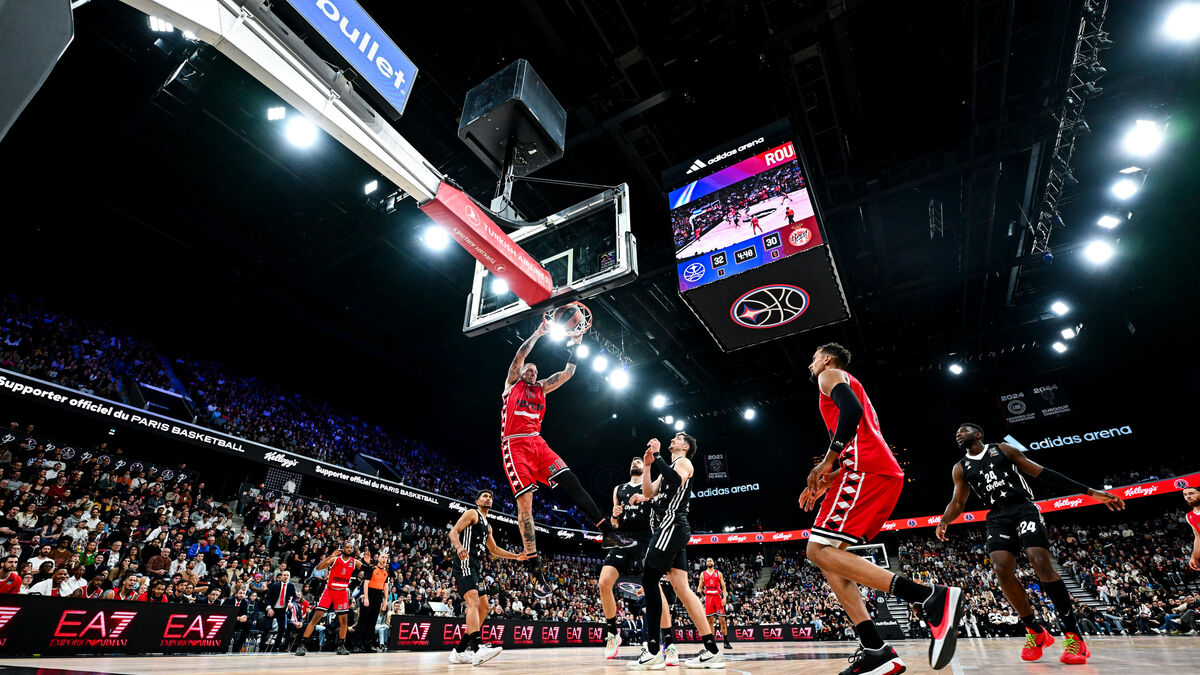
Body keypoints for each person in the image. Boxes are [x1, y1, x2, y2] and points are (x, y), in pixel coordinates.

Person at [799, 343, 963, 673]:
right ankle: (876, 649)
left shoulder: (829, 375)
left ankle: (929, 597)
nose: (811, 363)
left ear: (827, 359)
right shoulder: (847, 380)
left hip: (866, 471)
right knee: (834, 562)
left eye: (815, 357)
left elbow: (852, 412)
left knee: (816, 551)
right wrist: (829, 477)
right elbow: (860, 431)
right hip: (870, 472)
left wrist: (827, 460)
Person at [937, 423, 1125, 665]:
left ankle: (1074, 636)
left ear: (979, 434)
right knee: (1001, 570)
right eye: (957, 431)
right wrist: (944, 520)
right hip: (997, 516)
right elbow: (957, 502)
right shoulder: (960, 468)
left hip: (1024, 508)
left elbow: (1042, 473)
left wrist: (1089, 492)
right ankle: (1035, 631)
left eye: (964, 429)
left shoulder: (1003, 449)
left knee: (1039, 561)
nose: (958, 433)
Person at [501, 322, 634, 598]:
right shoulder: (511, 385)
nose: (532, 371)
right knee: (526, 506)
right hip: (515, 446)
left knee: (571, 480)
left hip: (537, 443)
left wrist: (577, 342)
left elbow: (569, 371)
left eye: (536, 371)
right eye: (530, 368)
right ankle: (535, 571)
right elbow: (519, 357)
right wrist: (538, 333)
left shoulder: (541, 388)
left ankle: (608, 532)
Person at [628, 434, 724, 669]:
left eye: (678, 438)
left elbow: (676, 481)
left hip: (672, 525)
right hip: (674, 529)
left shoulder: (684, 463)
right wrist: (648, 465)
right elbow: (649, 492)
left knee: (649, 577)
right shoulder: (668, 465)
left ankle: (652, 649)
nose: (672, 439)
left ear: (686, 446)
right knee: (683, 589)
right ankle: (712, 649)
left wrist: (658, 454)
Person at [447, 489, 526, 666]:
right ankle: (477, 648)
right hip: (464, 561)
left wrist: (516, 556)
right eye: (485, 496)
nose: (488, 499)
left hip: (476, 566)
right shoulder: (472, 513)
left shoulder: (488, 525)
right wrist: (459, 547)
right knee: (473, 601)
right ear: (477, 501)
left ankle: (459, 651)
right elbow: (453, 532)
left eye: (490, 497)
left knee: (484, 608)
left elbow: (494, 550)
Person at [598, 456, 654, 660]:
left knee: (655, 589)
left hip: (647, 537)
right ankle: (613, 633)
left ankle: (662, 640)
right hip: (623, 538)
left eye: (639, 461)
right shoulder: (618, 489)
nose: (635, 463)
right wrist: (614, 515)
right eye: (633, 461)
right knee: (604, 582)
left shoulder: (650, 486)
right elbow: (615, 524)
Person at [294, 543, 369, 656]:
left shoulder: (354, 562)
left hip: (342, 592)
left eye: (351, 548)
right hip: (329, 591)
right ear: (343, 549)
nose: (349, 549)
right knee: (316, 618)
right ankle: (303, 645)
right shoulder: (335, 559)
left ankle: (341, 646)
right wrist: (330, 556)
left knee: (344, 621)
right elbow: (319, 567)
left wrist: (367, 563)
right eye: (347, 547)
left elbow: (369, 571)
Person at [351, 552, 390, 652]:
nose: (385, 559)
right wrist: (366, 597)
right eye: (383, 557)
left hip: (378, 596)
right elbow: (365, 583)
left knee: (372, 622)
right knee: (363, 621)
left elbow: (385, 587)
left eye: (386, 557)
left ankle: (368, 645)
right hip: (369, 594)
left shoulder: (386, 572)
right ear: (379, 558)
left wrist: (385, 601)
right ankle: (356, 645)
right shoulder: (372, 569)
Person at [697, 557, 733, 650]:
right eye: (707, 560)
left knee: (722, 620)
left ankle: (726, 642)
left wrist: (724, 597)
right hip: (708, 598)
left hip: (717, 598)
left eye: (710, 560)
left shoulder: (718, 573)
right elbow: (699, 588)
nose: (709, 561)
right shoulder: (703, 574)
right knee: (710, 621)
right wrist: (700, 596)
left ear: (713, 563)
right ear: (706, 564)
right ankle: (712, 642)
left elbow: (724, 587)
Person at [265, 570, 299, 652]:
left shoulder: (291, 585)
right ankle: (262, 647)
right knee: (266, 628)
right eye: (284, 575)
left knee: (283, 629)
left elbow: (295, 598)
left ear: (289, 577)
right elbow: (267, 598)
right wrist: (269, 608)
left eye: (287, 575)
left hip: (283, 610)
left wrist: (292, 603)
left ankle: (276, 647)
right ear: (281, 576)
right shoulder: (275, 585)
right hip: (273, 609)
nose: (286, 576)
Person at [1184, 485, 1200, 571]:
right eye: (1185, 495)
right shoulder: (1189, 516)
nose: (1188, 496)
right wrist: (1194, 556)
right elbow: (1198, 537)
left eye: (1191, 493)